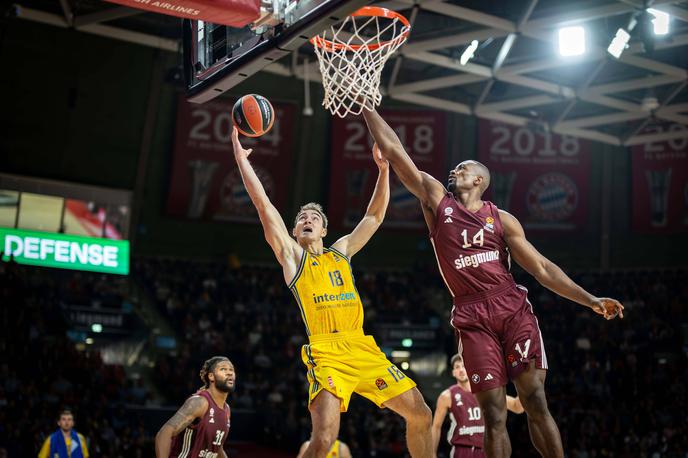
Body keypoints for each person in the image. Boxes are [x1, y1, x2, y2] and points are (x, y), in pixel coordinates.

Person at [361, 108, 624, 458]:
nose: (456, 170)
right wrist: (364, 103)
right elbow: (395, 150)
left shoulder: (502, 219)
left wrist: (590, 299)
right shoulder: (437, 202)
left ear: (479, 181)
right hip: (471, 314)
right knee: (494, 413)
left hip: (511, 308)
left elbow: (543, 269)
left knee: (534, 399)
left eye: (464, 168)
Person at [230, 126, 432, 458]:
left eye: (313, 217)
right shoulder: (293, 258)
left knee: (421, 415)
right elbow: (264, 206)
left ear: (324, 229)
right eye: (300, 218)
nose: (306, 219)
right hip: (326, 353)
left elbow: (374, 216)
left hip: (362, 346)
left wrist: (383, 170)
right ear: (295, 232)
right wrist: (241, 160)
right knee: (323, 440)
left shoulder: (341, 251)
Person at [432, 354, 524, 457]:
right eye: (457, 367)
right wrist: (431, 453)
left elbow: (517, 407)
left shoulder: (486, 392)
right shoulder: (447, 396)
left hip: (486, 450)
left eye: (464, 366)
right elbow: (436, 426)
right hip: (461, 450)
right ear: (453, 372)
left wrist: (525, 383)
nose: (461, 370)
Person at [155, 356, 235, 458]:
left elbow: (216, 448)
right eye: (223, 369)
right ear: (211, 376)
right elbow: (164, 434)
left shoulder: (227, 410)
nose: (229, 373)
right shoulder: (199, 402)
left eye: (231, 369)